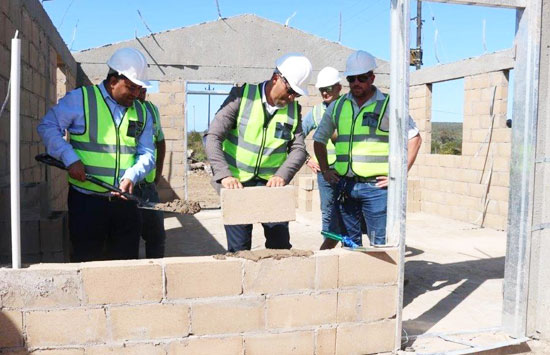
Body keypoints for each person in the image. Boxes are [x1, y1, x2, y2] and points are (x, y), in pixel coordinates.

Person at [37, 47, 155, 262]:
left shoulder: (141, 111)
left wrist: (132, 176)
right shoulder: (81, 100)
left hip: (126, 203)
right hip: (87, 203)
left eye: (139, 89)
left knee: (127, 264)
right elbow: (48, 126)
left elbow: (147, 153)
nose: (136, 94)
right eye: (131, 87)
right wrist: (70, 158)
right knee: (87, 261)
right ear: (113, 81)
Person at [205, 53, 312, 252]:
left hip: (272, 186)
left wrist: (282, 175)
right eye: (290, 91)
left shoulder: (293, 110)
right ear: (276, 79)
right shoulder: (241, 96)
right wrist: (224, 175)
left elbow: (298, 149)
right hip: (237, 185)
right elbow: (212, 137)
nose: (291, 98)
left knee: (280, 248)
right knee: (239, 250)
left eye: (296, 95)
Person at [313, 50, 422, 246]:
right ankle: (356, 277)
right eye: (352, 78)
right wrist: (326, 169)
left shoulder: (389, 105)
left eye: (362, 78)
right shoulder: (337, 106)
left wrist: (400, 174)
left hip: (376, 189)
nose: (357, 83)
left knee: (380, 243)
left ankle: (381, 277)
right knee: (349, 243)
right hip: (345, 185)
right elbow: (319, 139)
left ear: (372, 78)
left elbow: (414, 138)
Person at [301, 67, 346, 250]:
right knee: (328, 210)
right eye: (321, 89)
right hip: (324, 171)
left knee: (348, 210)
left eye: (328, 88)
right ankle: (327, 251)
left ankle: (347, 249)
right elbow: (296, 137)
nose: (325, 92)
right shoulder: (316, 112)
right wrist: (307, 159)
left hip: (347, 170)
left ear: (338, 88)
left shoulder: (349, 107)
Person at [133, 88, 166, 258]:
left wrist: (158, 173)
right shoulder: (120, 108)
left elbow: (160, 142)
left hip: (148, 188)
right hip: (126, 189)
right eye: (139, 89)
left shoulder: (151, 110)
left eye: (145, 89)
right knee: (128, 239)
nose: (142, 93)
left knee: (157, 236)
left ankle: (156, 273)